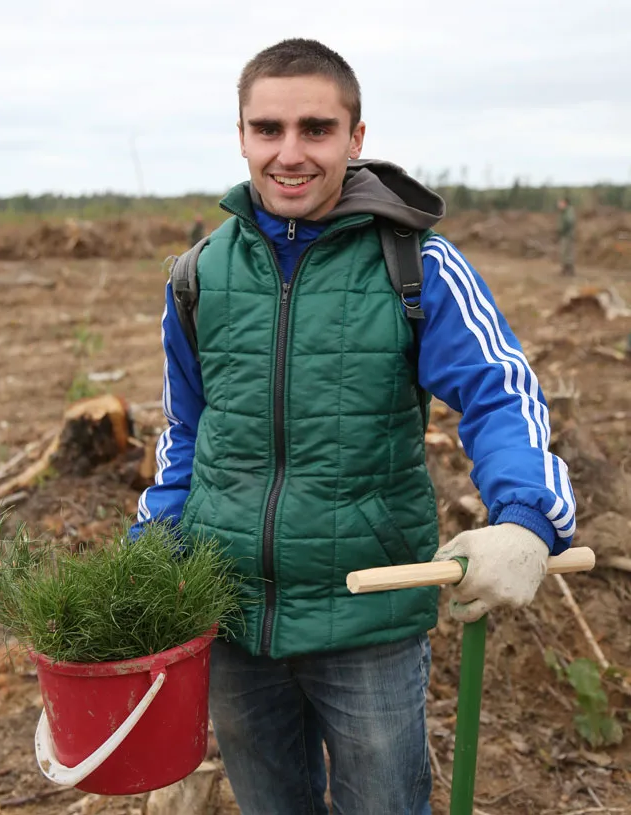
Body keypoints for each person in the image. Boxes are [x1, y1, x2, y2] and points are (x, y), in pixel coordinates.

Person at [132, 39, 576, 815]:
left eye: (316, 128)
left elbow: (501, 392)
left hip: (367, 612)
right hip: (231, 613)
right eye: (268, 129)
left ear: (356, 138)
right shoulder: (196, 275)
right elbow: (186, 433)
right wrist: (151, 546)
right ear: (241, 135)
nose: (290, 152)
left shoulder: (416, 264)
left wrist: (526, 517)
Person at [558, 196, 576, 276]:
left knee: (567, 252)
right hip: (565, 234)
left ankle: (569, 270)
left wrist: (563, 230)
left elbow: (569, 222)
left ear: (565, 203)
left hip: (567, 235)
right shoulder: (565, 212)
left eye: (561, 202)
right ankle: (565, 269)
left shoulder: (568, 211)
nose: (559, 204)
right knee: (564, 252)